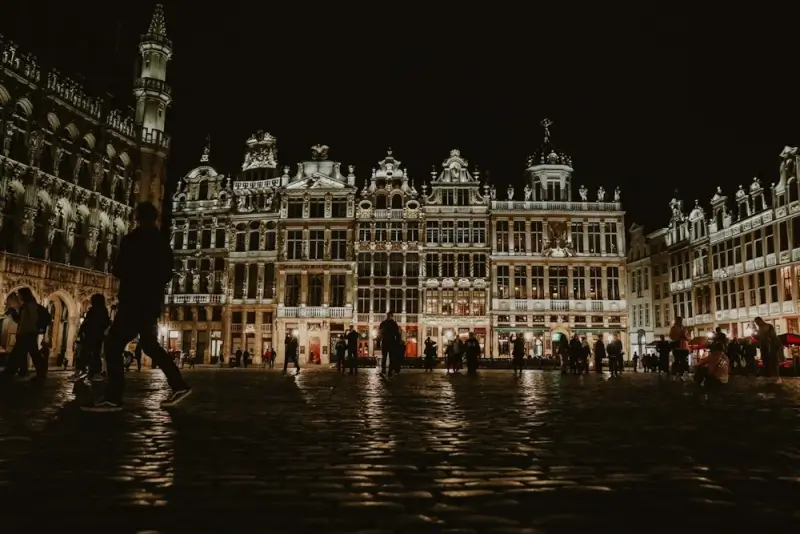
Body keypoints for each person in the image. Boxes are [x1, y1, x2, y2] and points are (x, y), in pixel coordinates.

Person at [83, 202, 191, 412]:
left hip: (133, 300)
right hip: (151, 301)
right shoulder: (162, 242)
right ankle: (179, 385)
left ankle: (113, 397)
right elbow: (168, 273)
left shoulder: (132, 240)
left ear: (137, 218)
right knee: (151, 346)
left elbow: (119, 269)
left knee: (113, 345)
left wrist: (134, 274)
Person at [0, 287, 48, 384]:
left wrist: (35, 329)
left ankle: (10, 372)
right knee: (31, 354)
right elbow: (20, 321)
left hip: (27, 334)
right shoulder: (26, 306)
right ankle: (37, 373)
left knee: (19, 354)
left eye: (19, 294)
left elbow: (30, 321)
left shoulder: (31, 306)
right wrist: (13, 312)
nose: (18, 296)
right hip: (26, 334)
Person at [71, 293, 110, 382]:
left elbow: (89, 323)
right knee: (90, 354)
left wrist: (83, 331)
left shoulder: (97, 311)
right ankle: (89, 372)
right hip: (94, 335)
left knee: (87, 354)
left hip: (92, 335)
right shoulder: (100, 311)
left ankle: (89, 372)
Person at [755, 317, 782, 383]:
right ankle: (769, 377)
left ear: (761, 321)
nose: (757, 324)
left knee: (773, 361)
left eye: (758, 322)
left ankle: (776, 377)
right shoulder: (760, 329)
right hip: (764, 347)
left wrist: (764, 336)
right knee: (766, 362)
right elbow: (760, 338)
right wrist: (756, 337)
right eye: (756, 323)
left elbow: (772, 336)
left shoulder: (769, 326)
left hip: (771, 347)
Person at [378, 312, 401, 379]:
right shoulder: (392, 324)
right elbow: (397, 334)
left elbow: (380, 333)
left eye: (389, 315)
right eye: (388, 315)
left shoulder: (385, 323)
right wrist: (397, 342)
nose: (388, 316)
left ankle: (386, 370)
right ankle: (387, 371)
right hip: (390, 342)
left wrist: (379, 341)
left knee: (387, 357)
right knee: (388, 357)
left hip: (388, 342)